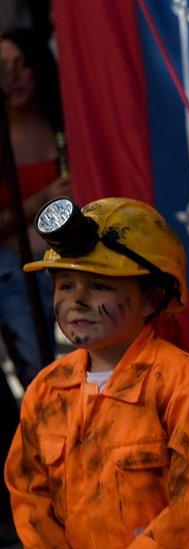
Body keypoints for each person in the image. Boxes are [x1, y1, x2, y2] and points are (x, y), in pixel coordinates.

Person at [4, 197, 189, 547]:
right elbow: (29, 495)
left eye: (100, 285)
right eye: (66, 285)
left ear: (151, 299)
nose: (77, 300)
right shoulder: (46, 391)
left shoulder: (185, 387)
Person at [0, 27, 69, 388]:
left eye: (22, 64)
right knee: (43, 382)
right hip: (18, 277)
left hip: (73, 268)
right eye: (4, 66)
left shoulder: (65, 126)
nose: (13, 75)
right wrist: (42, 199)